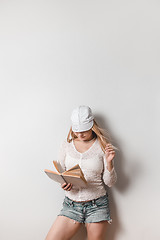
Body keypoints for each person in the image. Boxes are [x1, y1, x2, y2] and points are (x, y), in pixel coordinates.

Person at [45, 105, 117, 240]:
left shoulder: (102, 145)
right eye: (77, 131)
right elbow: (62, 172)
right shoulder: (66, 145)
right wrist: (63, 183)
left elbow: (110, 182)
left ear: (92, 125)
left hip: (97, 205)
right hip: (71, 205)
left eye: (84, 130)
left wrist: (109, 163)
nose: (80, 134)